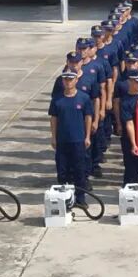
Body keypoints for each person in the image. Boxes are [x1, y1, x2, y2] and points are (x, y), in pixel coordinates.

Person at [49, 69, 93, 205]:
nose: (68, 82)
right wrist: (53, 137)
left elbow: (88, 117)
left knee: (79, 171)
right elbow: (54, 119)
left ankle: (80, 198)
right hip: (62, 140)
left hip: (78, 140)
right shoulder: (57, 99)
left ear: (76, 80)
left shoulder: (84, 98)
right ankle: (64, 198)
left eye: (70, 79)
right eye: (66, 79)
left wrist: (87, 136)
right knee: (62, 171)